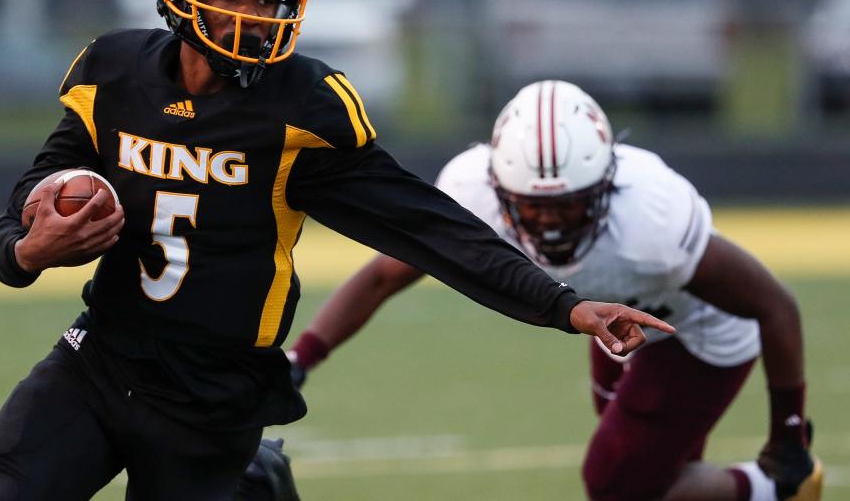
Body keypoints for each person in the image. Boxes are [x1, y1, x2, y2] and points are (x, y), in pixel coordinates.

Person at [0, 0, 672, 501]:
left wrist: (562, 305)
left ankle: (253, 476)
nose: (251, 15)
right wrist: (25, 252)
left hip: (215, 394)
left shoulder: (301, 109)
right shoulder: (113, 74)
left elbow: (427, 228)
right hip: (102, 357)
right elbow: (25, 202)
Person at [287, 80, 824, 501]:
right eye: (531, 204)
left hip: (692, 332)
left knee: (616, 482)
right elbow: (385, 274)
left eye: (566, 203)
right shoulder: (471, 192)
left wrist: (788, 437)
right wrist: (302, 357)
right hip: (611, 327)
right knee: (652, 474)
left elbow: (772, 304)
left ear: (605, 185)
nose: (548, 223)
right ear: (498, 187)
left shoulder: (651, 223)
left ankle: (771, 490)